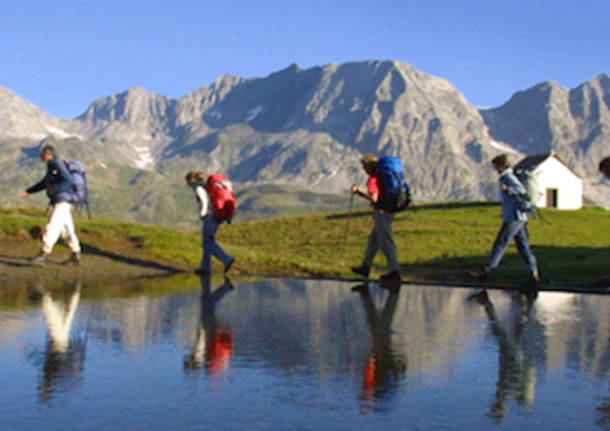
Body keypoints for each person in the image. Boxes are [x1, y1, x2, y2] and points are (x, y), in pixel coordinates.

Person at [471, 154, 539, 284]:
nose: (495, 169)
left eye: (496, 166)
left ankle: (486, 270)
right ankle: (533, 273)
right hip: (519, 217)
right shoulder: (507, 177)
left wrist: (509, 189)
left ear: (502, 166)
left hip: (513, 217)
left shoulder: (508, 177)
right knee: (523, 247)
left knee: (501, 243)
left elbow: (520, 189)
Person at [19, 145, 81, 265]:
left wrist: (56, 189)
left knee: (53, 226)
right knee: (66, 229)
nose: (41, 156)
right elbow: (44, 183)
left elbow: (69, 180)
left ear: (48, 154)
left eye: (42, 154)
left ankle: (43, 254)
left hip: (62, 201)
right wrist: (28, 191)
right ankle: (76, 254)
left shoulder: (56, 163)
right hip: (61, 201)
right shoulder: (51, 165)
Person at [350, 154, 401, 281]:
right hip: (388, 211)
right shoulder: (382, 177)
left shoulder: (373, 179)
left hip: (382, 213)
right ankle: (365, 267)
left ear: (368, 167)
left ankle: (395, 272)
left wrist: (359, 193)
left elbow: (374, 199)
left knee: (386, 242)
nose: (363, 169)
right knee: (373, 241)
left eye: (364, 166)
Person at [185, 171, 235, 275]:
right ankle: (205, 267)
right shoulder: (207, 186)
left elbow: (204, 201)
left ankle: (226, 259)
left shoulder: (199, 188)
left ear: (192, 180)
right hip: (217, 214)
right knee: (207, 241)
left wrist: (203, 213)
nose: (188, 185)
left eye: (188, 182)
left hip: (210, 216)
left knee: (208, 242)